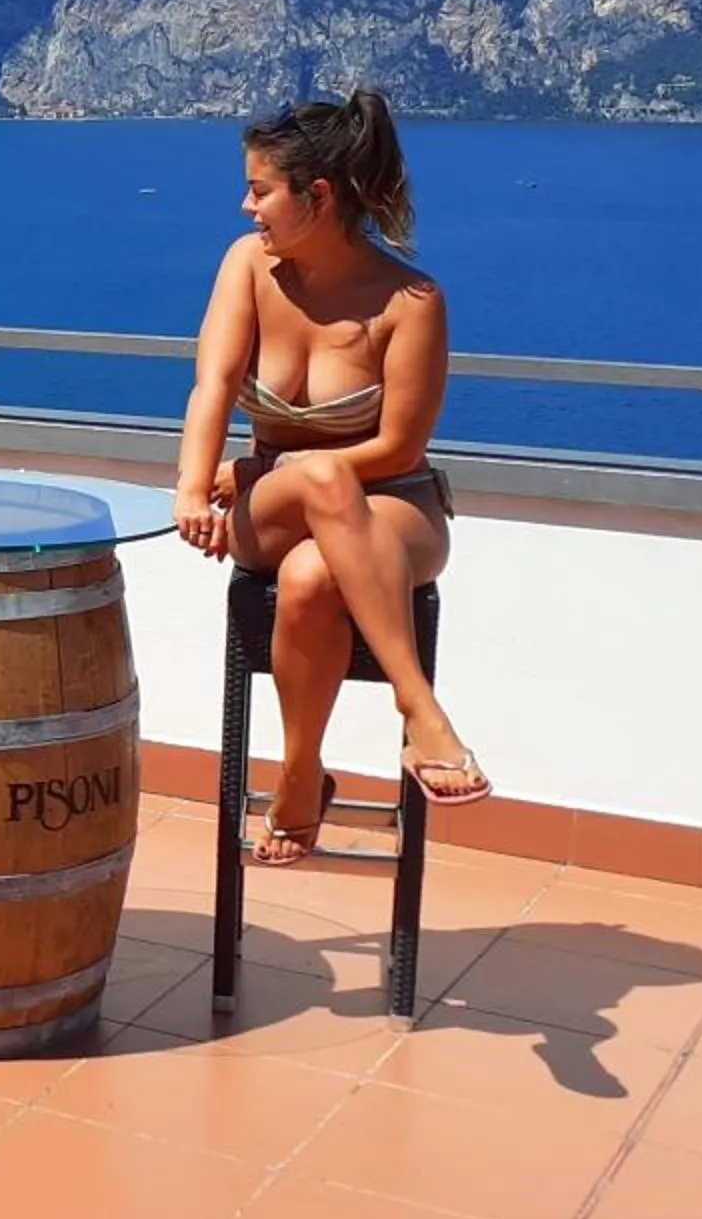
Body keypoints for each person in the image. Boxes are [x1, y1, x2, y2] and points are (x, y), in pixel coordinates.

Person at [173, 87, 490, 863]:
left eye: (260, 190)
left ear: (316, 196)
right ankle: (423, 714)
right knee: (316, 485)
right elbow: (212, 384)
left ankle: (303, 774)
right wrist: (191, 486)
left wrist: (264, 467)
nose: (246, 207)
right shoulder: (249, 268)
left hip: (394, 504)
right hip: (283, 497)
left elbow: (399, 451)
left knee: (315, 575)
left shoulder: (409, 302)